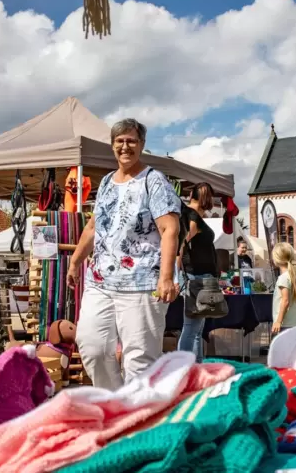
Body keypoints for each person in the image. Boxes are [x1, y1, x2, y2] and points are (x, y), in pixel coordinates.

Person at [67, 118, 181, 391]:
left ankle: (138, 418)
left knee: (139, 358)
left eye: (131, 141)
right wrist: (75, 261)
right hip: (101, 281)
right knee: (92, 347)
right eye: (120, 141)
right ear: (112, 145)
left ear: (141, 144)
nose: (125, 146)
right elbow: (94, 225)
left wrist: (166, 277)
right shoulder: (106, 181)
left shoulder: (154, 181)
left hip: (141, 283)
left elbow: (170, 229)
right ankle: (114, 402)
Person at [176, 182, 218, 363]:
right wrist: (176, 275)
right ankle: (183, 367)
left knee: (196, 329)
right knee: (192, 328)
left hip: (200, 277)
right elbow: (180, 245)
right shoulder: (192, 216)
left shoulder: (192, 216)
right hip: (197, 277)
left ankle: (195, 366)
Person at [271, 242, 296, 335]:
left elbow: (285, 301)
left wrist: (278, 321)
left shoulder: (283, 278)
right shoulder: (293, 276)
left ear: (276, 259)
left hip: (285, 323)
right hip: (294, 321)